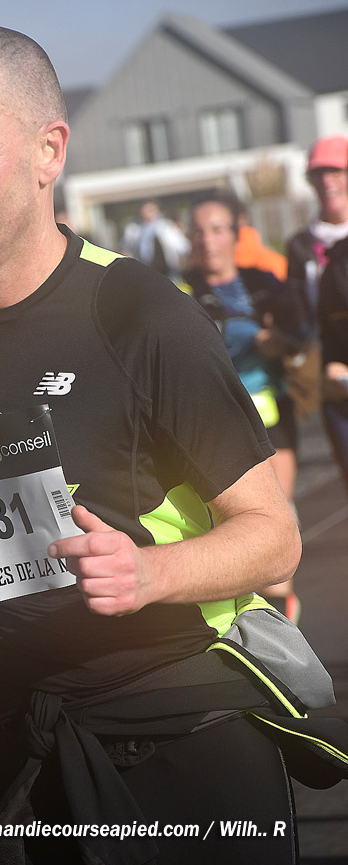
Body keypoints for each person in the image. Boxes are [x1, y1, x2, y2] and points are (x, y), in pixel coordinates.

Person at [0, 26, 347, 865]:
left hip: (173, 721)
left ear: (48, 152)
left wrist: (150, 572)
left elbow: (273, 538)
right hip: (7, 721)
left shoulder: (141, 314)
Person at [183, 191, 310, 624]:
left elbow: (301, 331)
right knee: (226, 524)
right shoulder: (176, 290)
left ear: (236, 235)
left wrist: (283, 342)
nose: (208, 241)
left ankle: (280, 618)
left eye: (217, 229)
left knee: (274, 514)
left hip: (271, 414)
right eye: (198, 232)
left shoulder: (264, 283)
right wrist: (249, 337)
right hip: (210, 421)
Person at [287, 134, 348, 493]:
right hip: (333, 380)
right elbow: (299, 316)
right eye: (318, 173)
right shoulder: (300, 245)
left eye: (336, 170)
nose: (327, 181)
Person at [120, 200, 190, 280]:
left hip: (167, 270)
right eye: (145, 211)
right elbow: (126, 249)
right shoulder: (134, 229)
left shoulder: (166, 227)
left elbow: (181, 246)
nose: (147, 214)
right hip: (145, 271)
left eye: (150, 210)